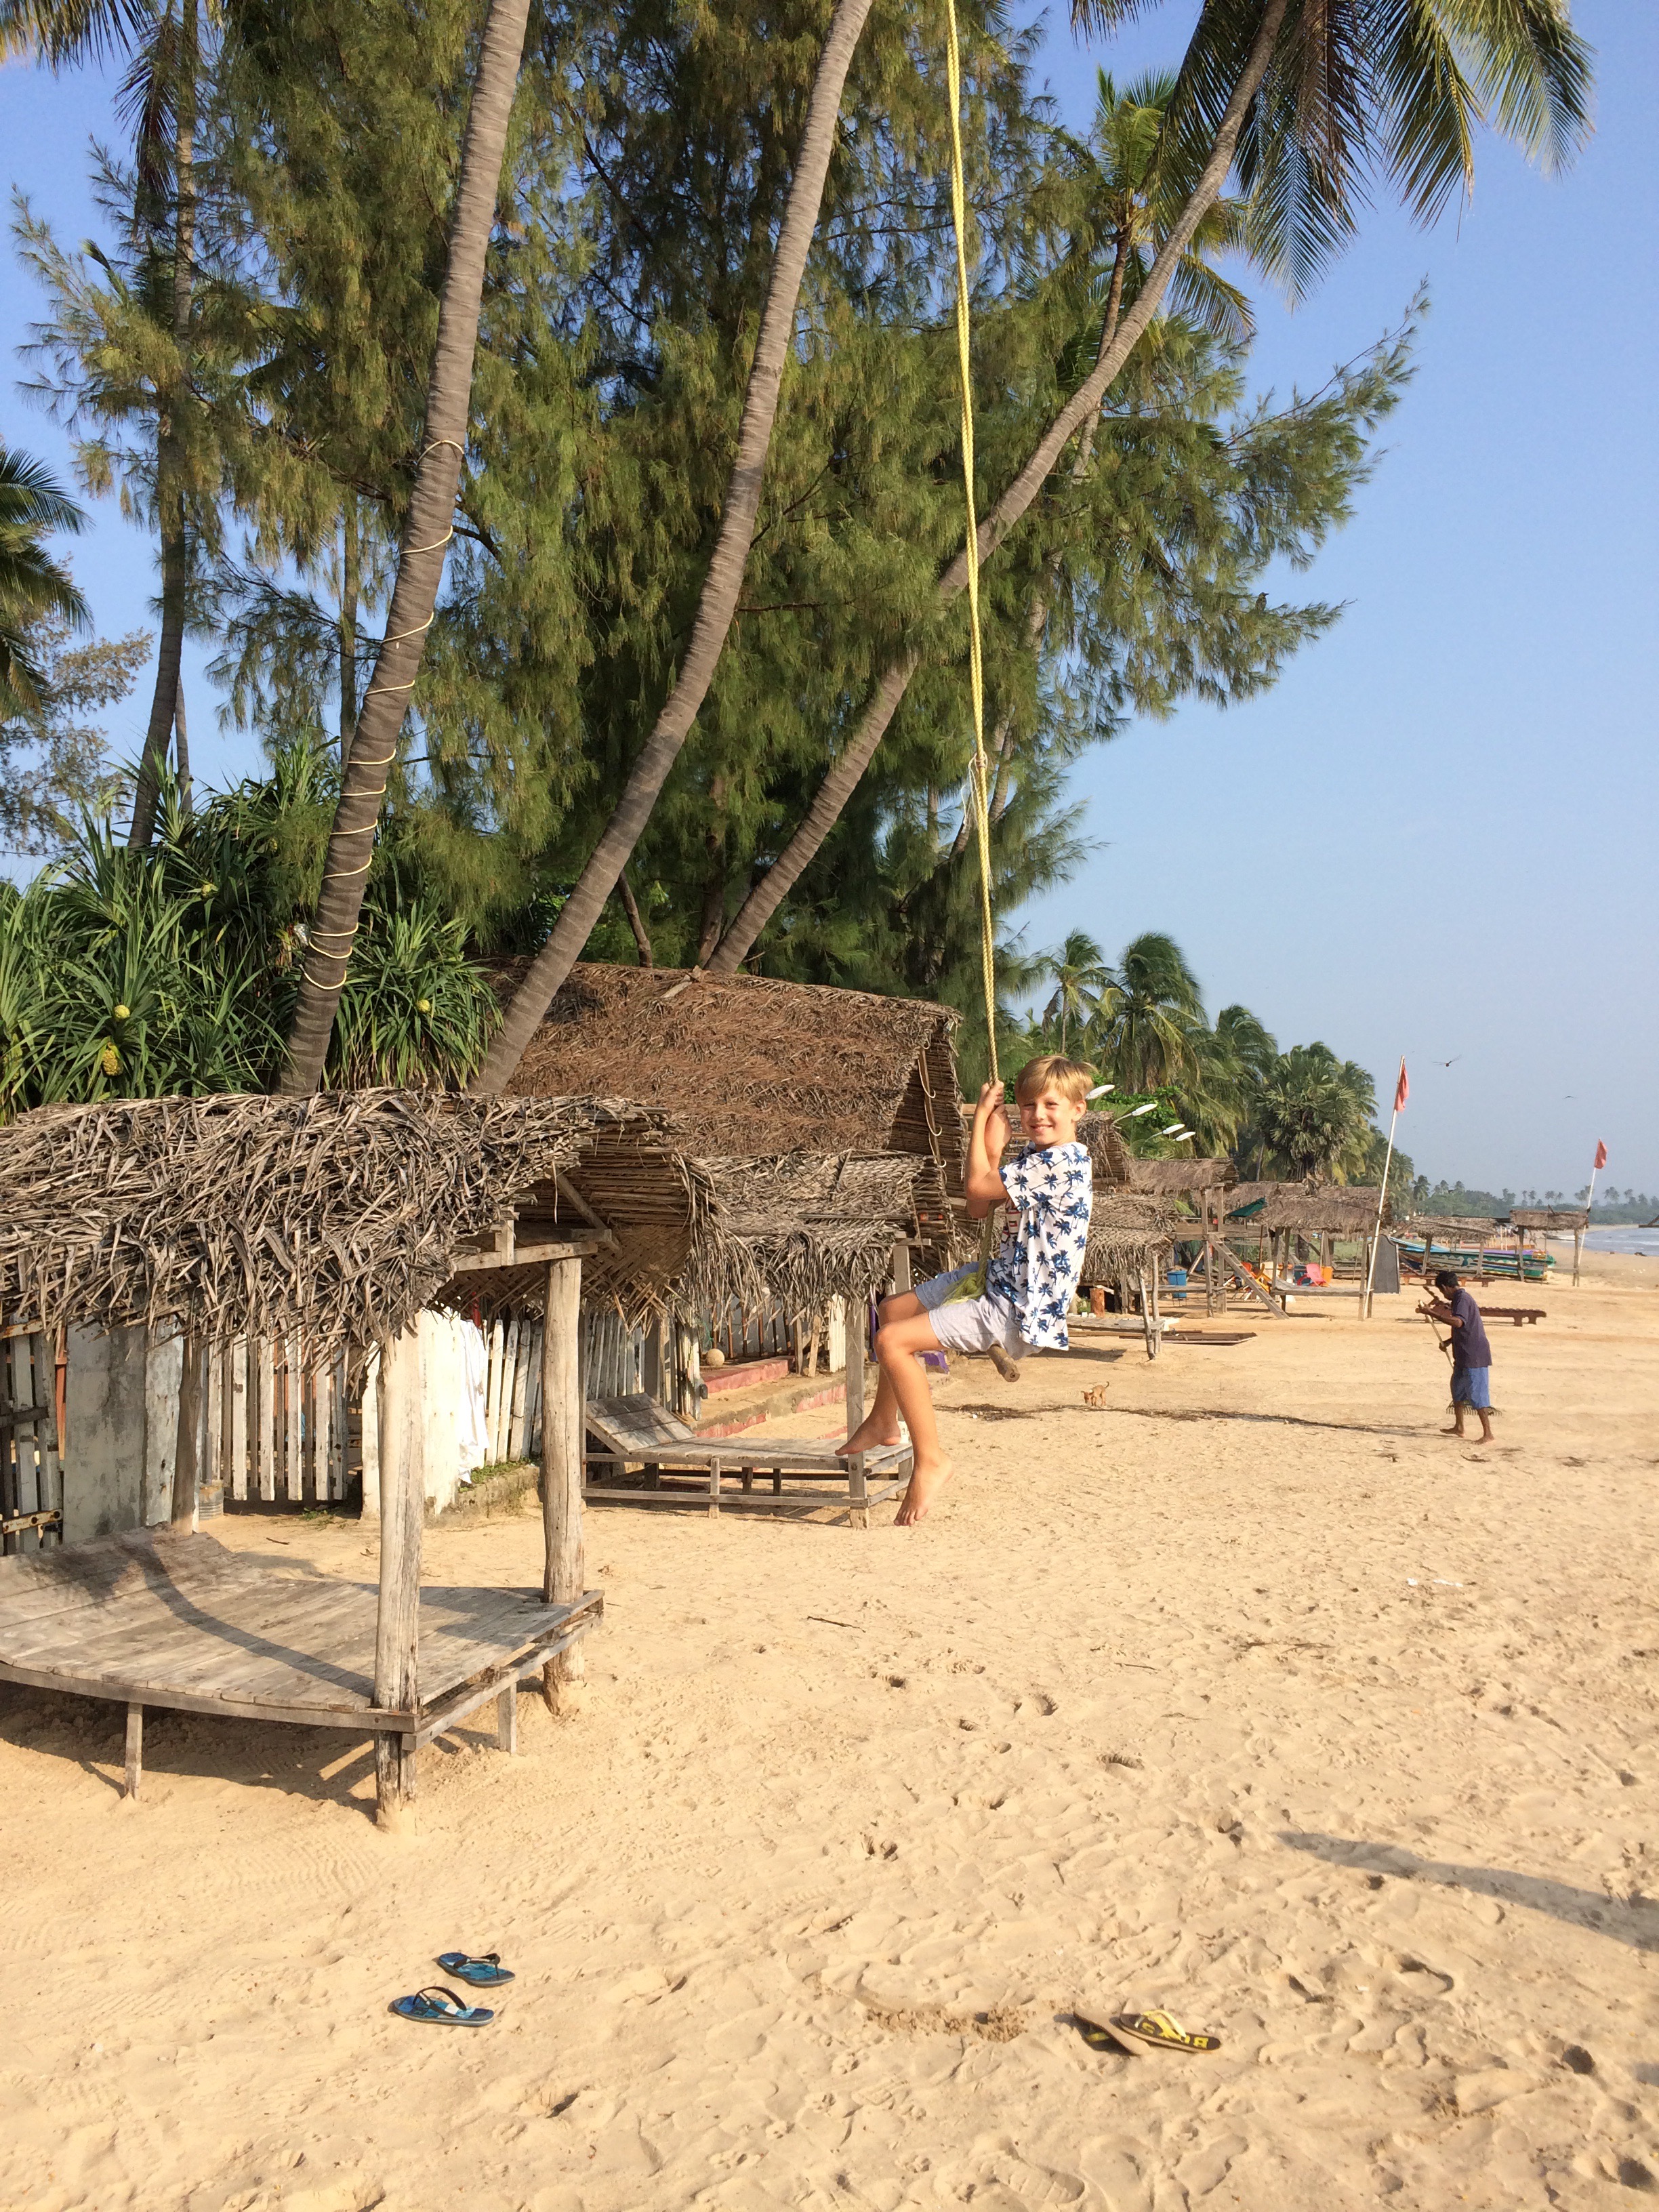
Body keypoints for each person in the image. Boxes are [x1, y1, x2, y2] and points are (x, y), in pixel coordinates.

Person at [839, 1054, 1094, 1523]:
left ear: (1078, 1109)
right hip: (995, 1279)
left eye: (1051, 1105)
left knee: (892, 1342)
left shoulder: (1064, 1162)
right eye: (1029, 1105)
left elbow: (976, 1186)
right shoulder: (1035, 1157)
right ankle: (883, 1421)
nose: (1037, 1115)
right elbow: (978, 1206)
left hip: (1016, 1308)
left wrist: (980, 1123)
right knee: (893, 1311)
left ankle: (932, 1459)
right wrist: (994, 1152)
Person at [1420, 1267, 1494, 1443]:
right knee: (1458, 1390)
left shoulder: (1462, 1299)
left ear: (1445, 1287)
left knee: (1477, 1394)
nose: (1443, 1295)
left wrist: (1432, 1313)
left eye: (1442, 1291)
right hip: (1462, 1354)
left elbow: (1459, 1322)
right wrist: (1449, 1342)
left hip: (1474, 1355)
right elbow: (1465, 1329)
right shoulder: (1458, 1300)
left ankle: (1488, 1434)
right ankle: (1459, 1427)